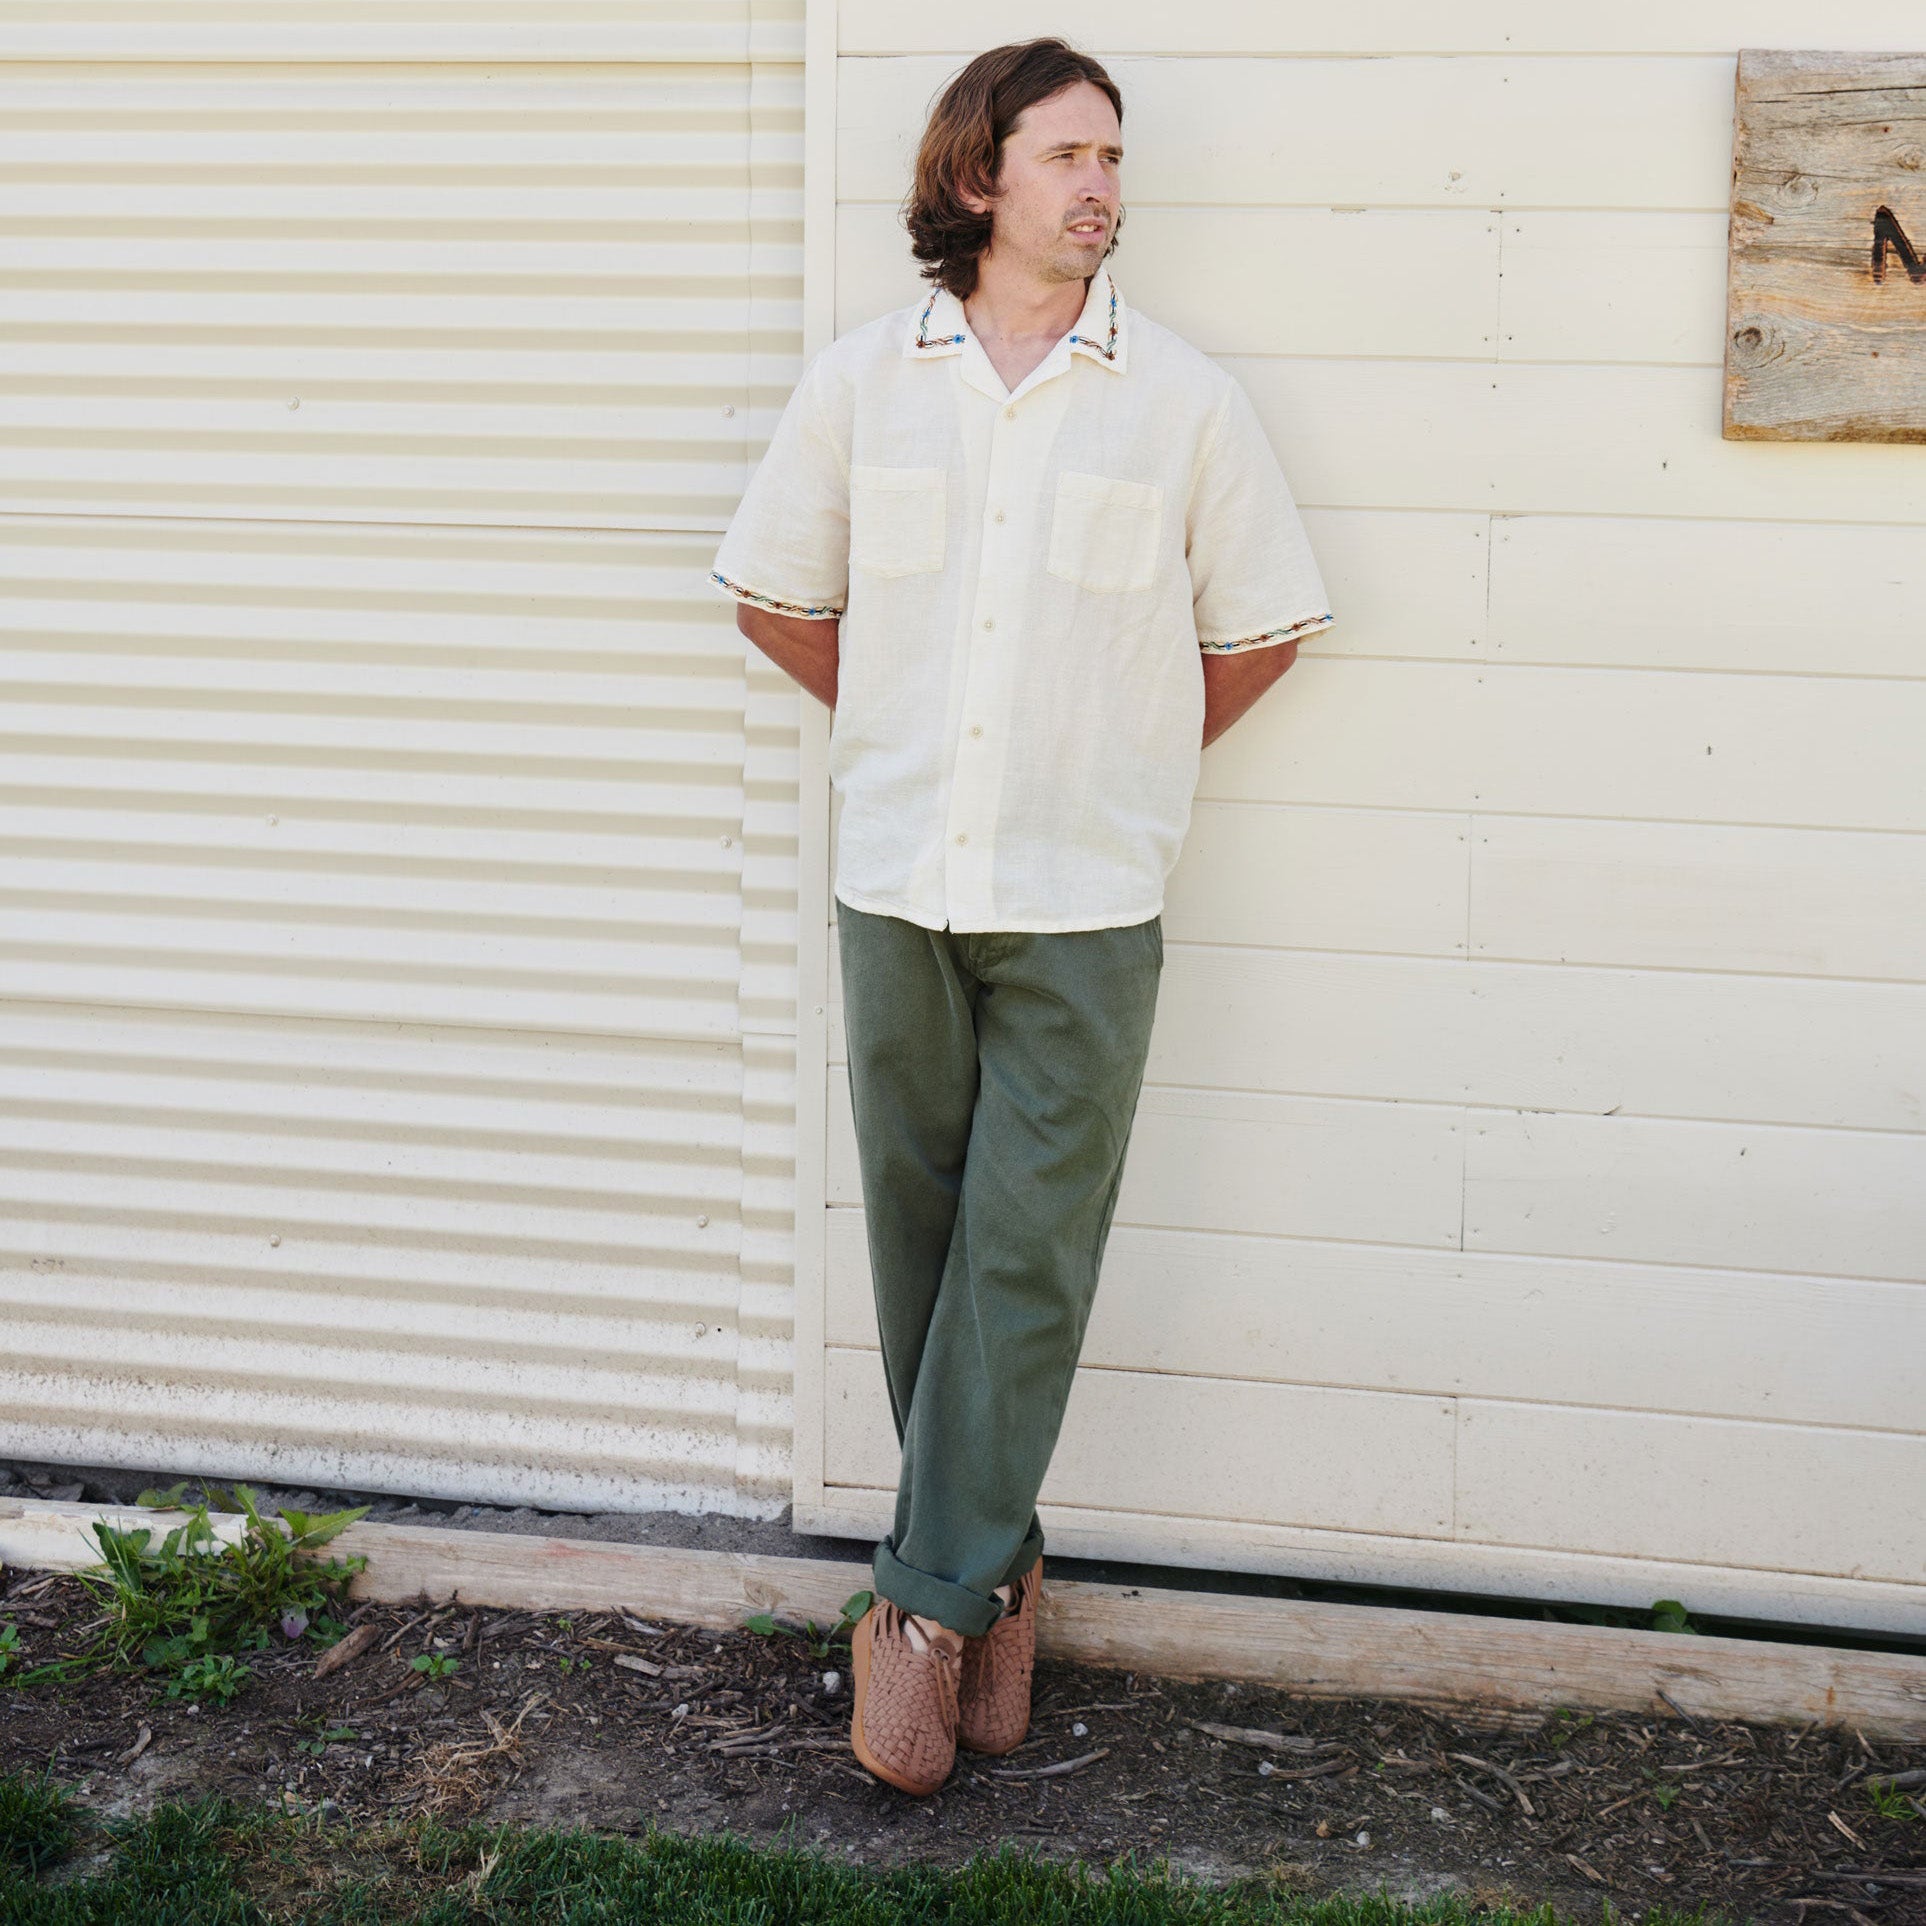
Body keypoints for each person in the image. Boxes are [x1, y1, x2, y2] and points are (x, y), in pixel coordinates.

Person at [707, 36, 1333, 1797]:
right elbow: (774, 595)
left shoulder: (1182, 401)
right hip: (897, 876)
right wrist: (908, 731)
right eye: (1069, 156)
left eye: (1114, 159)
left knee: (1027, 1256)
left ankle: (915, 1613)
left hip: (1085, 896)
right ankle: (1008, 1573)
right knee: (923, 1249)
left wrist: (1115, 765)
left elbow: (1261, 628)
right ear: (976, 178)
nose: (1103, 188)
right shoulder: (862, 384)